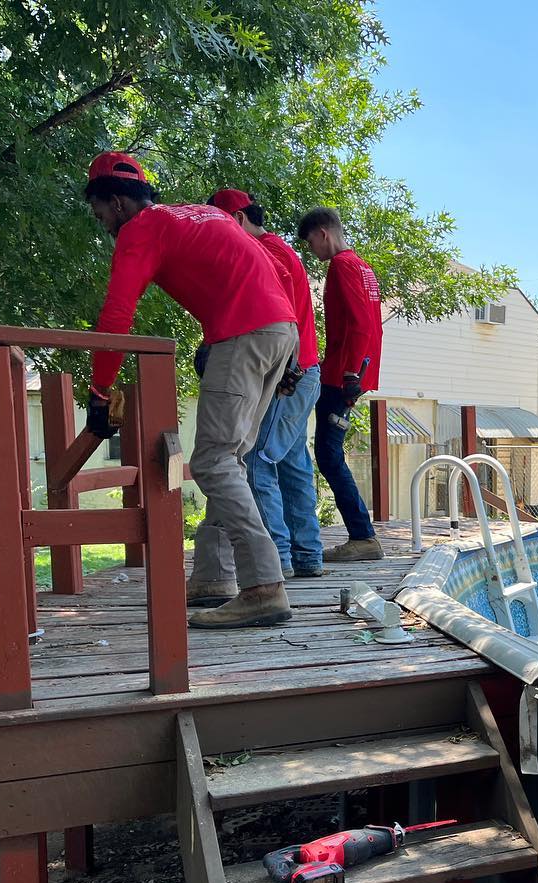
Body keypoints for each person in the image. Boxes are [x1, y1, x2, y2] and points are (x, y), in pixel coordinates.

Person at [82, 151, 296, 629]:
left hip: (244, 333)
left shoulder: (141, 230)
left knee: (213, 461)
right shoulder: (203, 214)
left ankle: (263, 586)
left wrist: (99, 390)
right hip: (280, 331)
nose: (104, 227)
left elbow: (117, 317)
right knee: (231, 460)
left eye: (100, 216)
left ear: (117, 203)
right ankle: (213, 576)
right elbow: (267, 272)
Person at [208, 189, 325, 578]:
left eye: (221, 227)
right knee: (292, 464)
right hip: (302, 369)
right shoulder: (280, 250)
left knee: (257, 462)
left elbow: (281, 317)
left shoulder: (267, 253)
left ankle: (276, 564)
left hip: (287, 375)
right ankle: (307, 556)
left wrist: (282, 372)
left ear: (238, 220)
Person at [298, 206, 384, 562]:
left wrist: (351, 373)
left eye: (310, 244)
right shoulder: (364, 267)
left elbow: (362, 324)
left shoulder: (342, 265)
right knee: (331, 454)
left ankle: (362, 537)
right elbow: (370, 325)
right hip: (351, 372)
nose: (313, 253)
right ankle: (362, 534)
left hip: (342, 377)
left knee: (329, 455)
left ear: (323, 233)